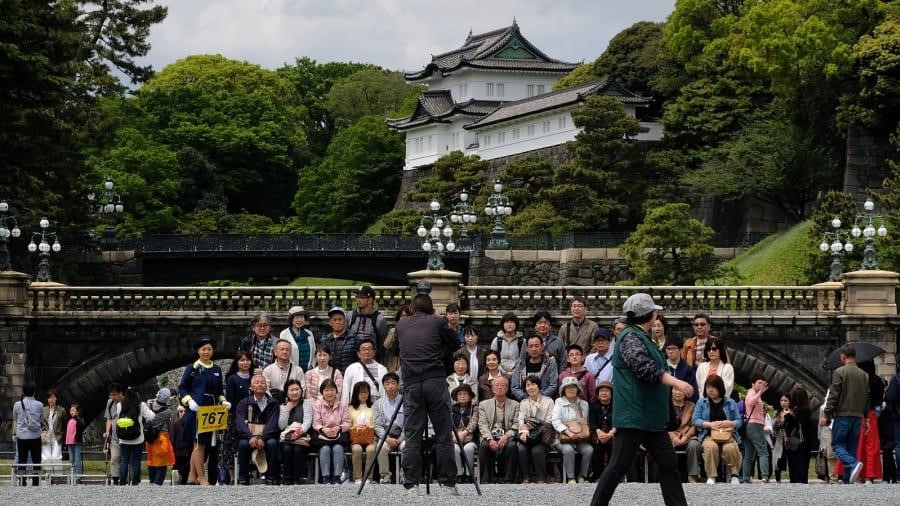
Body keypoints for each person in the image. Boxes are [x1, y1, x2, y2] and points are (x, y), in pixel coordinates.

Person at [591, 293, 694, 506]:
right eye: (654, 311)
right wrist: (677, 383)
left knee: (668, 462)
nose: (657, 315)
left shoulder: (642, 336)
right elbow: (643, 368)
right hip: (634, 415)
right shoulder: (630, 336)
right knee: (618, 466)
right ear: (648, 315)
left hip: (649, 416)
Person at [396, 292, 460, 495]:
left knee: (412, 435)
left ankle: (411, 484)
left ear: (412, 309)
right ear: (432, 308)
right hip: (435, 380)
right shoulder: (438, 321)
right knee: (443, 433)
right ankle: (448, 484)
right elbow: (455, 344)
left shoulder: (400, 325)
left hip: (412, 383)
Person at [178, 335, 229, 486]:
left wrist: (223, 401)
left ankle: (192, 476)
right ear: (198, 351)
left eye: (209, 349)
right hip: (196, 408)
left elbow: (219, 391)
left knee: (204, 444)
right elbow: (182, 388)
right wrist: (189, 401)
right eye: (203, 349)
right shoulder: (192, 368)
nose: (206, 352)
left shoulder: (217, 369)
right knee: (199, 444)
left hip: (212, 410)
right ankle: (201, 476)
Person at [820, 343, 870, 484]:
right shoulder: (864, 375)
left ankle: (853, 464)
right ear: (855, 357)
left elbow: (833, 396)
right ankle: (848, 480)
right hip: (858, 416)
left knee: (837, 445)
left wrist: (826, 414)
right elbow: (867, 398)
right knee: (851, 448)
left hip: (842, 414)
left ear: (843, 356)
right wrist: (866, 418)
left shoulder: (839, 372)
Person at [834, 360, 883, 482]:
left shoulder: (856, 379)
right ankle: (869, 476)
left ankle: (848, 472)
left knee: (852, 444)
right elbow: (879, 400)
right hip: (871, 414)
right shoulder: (877, 381)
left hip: (855, 412)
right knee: (870, 446)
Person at [694, 375, 743, 485]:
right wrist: (709, 424)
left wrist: (730, 423)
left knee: (729, 448)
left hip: (728, 435)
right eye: (708, 387)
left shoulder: (730, 402)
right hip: (708, 435)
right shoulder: (702, 402)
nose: (710, 390)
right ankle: (711, 476)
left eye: (713, 387)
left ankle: (734, 474)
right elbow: (696, 420)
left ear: (720, 388)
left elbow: (739, 421)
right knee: (711, 447)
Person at [236, 374, 280, 485]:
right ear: (251, 387)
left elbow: (272, 423)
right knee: (243, 444)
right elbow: (241, 423)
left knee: (272, 444)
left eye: (262, 382)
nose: (260, 384)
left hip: (267, 436)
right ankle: (243, 477)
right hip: (249, 435)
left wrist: (263, 438)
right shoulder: (243, 403)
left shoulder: (273, 403)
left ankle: (271, 476)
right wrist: (250, 437)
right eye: (257, 382)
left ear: (266, 387)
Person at [477, 375, 520, 484]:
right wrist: (490, 439)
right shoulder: (483, 405)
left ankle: (509, 479)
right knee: (484, 446)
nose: (499, 387)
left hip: (507, 435)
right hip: (490, 435)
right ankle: (486, 479)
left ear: (507, 388)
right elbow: (482, 424)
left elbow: (516, 424)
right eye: (497, 385)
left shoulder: (515, 405)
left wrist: (506, 436)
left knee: (512, 446)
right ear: (492, 388)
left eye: (502, 385)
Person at [220, 350, 253, 484]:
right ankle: (232, 475)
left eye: (247, 360)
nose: (245, 363)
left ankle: (247, 473)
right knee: (231, 447)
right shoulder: (232, 379)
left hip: (252, 417)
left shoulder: (254, 377)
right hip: (234, 417)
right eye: (242, 360)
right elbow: (231, 400)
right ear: (237, 362)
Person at [553, 376, 593, 484]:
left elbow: (586, 421)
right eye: (568, 387)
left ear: (578, 389)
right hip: (562, 438)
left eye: (573, 387)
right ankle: (570, 477)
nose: (571, 389)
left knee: (588, 450)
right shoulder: (559, 402)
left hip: (580, 438)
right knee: (568, 450)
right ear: (563, 390)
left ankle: (582, 476)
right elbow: (555, 421)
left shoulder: (584, 404)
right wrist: (568, 432)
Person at [516, 375, 554, 484]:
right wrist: (523, 430)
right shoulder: (523, 403)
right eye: (528, 385)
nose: (530, 387)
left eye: (533, 384)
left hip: (542, 437)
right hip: (529, 436)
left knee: (536, 450)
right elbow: (521, 420)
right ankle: (525, 477)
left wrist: (532, 423)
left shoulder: (548, 401)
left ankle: (541, 478)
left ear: (539, 386)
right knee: (521, 449)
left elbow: (549, 421)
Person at [312, 378, 350, 485]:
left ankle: (337, 477)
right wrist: (324, 429)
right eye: (326, 390)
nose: (330, 393)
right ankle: (326, 477)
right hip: (323, 436)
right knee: (325, 449)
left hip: (338, 436)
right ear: (322, 392)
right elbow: (316, 423)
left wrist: (339, 427)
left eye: (332, 390)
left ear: (336, 392)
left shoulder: (342, 406)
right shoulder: (317, 405)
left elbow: (348, 423)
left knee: (338, 448)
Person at [117, 387, 156, 485]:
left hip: (123, 437)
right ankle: (135, 482)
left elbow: (119, 417)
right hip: (137, 438)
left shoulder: (119, 405)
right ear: (136, 394)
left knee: (124, 460)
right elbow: (151, 416)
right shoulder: (141, 405)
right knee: (136, 461)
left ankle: (122, 481)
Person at [278, 379, 312, 485]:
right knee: (287, 449)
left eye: (297, 389)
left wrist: (297, 433)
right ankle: (287, 477)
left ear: (301, 391)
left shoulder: (306, 403)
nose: (295, 392)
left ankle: (297, 477)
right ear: (287, 392)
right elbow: (281, 425)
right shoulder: (282, 406)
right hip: (286, 438)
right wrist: (287, 410)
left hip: (301, 437)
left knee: (298, 449)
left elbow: (307, 422)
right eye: (291, 390)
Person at [374, 372, 404, 484]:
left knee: (408, 446)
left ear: (398, 385)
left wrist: (400, 439)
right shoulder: (378, 404)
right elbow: (378, 425)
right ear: (383, 386)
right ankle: (385, 476)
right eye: (387, 384)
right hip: (387, 435)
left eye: (393, 383)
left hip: (402, 435)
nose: (390, 386)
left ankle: (404, 475)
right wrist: (387, 438)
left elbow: (409, 424)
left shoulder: (405, 401)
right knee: (380, 447)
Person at [740, 372, 770, 483]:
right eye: (759, 383)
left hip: (751, 426)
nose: (761, 385)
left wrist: (761, 392)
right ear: (753, 384)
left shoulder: (755, 393)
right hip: (755, 425)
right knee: (763, 451)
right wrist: (761, 392)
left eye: (763, 383)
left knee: (749, 453)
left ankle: (745, 477)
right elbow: (751, 402)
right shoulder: (751, 392)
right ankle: (764, 476)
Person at [13, 381, 44, 486]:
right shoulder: (39, 405)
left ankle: (22, 481)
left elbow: (15, 419)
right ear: (34, 392)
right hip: (35, 436)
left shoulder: (17, 405)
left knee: (22, 459)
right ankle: (36, 482)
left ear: (23, 392)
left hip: (21, 436)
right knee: (36, 459)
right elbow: (42, 419)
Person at [667, 386, 700, 483]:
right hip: (669, 436)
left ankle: (692, 476)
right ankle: (669, 476)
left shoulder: (692, 406)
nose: (678, 392)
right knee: (663, 446)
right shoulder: (665, 404)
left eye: (680, 390)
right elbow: (662, 424)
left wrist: (686, 437)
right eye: (675, 390)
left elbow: (694, 425)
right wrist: (673, 437)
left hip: (687, 436)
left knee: (694, 445)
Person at [510, 335, 558, 401]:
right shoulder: (520, 365)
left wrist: (540, 398)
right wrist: (525, 398)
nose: (534, 349)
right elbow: (515, 387)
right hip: (524, 402)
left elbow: (553, 385)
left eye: (536, 346)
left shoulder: (550, 364)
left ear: (542, 347)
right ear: (527, 348)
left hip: (545, 402)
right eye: (531, 346)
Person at [782, 387, 814, 483]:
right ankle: (800, 482)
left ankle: (797, 482)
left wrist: (788, 416)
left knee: (797, 465)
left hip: (798, 442)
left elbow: (798, 424)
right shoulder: (806, 410)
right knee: (801, 465)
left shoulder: (802, 411)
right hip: (803, 442)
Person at [342, 338, 388, 405]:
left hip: (377, 407)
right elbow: (345, 392)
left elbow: (385, 391)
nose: (367, 352)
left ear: (374, 352)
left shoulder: (382, 369)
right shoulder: (351, 368)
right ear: (358, 353)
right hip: (357, 409)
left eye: (369, 349)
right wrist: (345, 409)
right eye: (363, 349)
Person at [146, 387, 176, 485]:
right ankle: (158, 482)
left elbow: (154, 402)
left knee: (152, 459)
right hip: (161, 437)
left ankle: (151, 481)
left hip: (149, 436)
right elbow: (168, 422)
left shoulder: (148, 404)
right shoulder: (168, 411)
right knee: (162, 461)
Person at [348, 381, 376, 485]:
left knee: (371, 449)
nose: (364, 394)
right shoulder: (350, 408)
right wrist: (355, 428)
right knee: (357, 449)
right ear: (356, 394)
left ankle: (368, 477)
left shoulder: (373, 407)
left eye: (366, 392)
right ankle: (357, 477)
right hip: (356, 437)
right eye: (361, 392)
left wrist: (369, 428)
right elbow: (348, 423)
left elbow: (376, 423)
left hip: (370, 437)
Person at [348, 286, 389, 358]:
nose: (358, 300)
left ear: (370, 300)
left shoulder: (379, 319)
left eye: (362, 297)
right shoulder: (350, 316)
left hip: (370, 359)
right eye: (357, 297)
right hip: (352, 359)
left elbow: (382, 343)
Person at [450, 383, 479, 483]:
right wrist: (453, 435)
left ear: (470, 396)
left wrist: (463, 434)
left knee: (468, 449)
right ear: (456, 397)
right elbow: (448, 423)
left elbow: (474, 422)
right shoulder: (452, 408)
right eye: (460, 394)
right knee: (455, 449)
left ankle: (469, 474)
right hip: (455, 438)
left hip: (470, 438)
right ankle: (459, 474)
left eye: (465, 394)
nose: (462, 396)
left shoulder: (474, 408)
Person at [263, 338, 306, 402]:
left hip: (294, 404)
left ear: (291, 353)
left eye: (287, 350)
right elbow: (265, 389)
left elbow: (302, 389)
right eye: (282, 349)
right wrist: (273, 403)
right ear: (275, 352)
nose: (285, 352)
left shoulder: (298, 370)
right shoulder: (268, 370)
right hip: (273, 405)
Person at [320, 306, 360, 373]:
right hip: (330, 378)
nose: (337, 322)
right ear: (330, 322)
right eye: (334, 320)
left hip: (349, 376)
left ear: (345, 321)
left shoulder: (353, 339)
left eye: (340, 319)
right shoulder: (325, 340)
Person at [589, 382, 615, 480]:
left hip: (613, 434)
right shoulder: (593, 405)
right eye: (601, 391)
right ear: (598, 394)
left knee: (613, 448)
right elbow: (592, 422)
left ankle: (612, 477)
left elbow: (618, 421)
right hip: (598, 434)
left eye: (607, 391)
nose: (604, 393)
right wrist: (599, 432)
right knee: (596, 449)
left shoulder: (616, 405)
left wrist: (610, 434)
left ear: (611, 394)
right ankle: (597, 476)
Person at [280, 306, 316, 372]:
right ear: (291, 319)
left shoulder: (309, 333)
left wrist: (311, 367)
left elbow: (314, 353)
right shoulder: (284, 334)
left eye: (301, 317)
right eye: (296, 318)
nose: (299, 320)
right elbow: (283, 354)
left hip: (308, 372)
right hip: (291, 371)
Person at [663, 337, 699, 403]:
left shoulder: (688, 370)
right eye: (668, 349)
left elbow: (694, 394)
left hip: (684, 407)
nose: (670, 351)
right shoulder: (661, 368)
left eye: (673, 348)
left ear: (681, 350)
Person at [103, 383, 124, 484]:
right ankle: (115, 480)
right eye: (111, 395)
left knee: (125, 459)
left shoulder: (126, 402)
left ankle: (125, 478)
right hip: (115, 437)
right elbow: (109, 418)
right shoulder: (110, 402)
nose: (113, 397)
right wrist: (107, 431)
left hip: (126, 437)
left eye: (115, 394)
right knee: (114, 457)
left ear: (120, 393)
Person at [382, 304, 412, 372]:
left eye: (407, 315)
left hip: (409, 361)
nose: (404, 318)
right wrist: (394, 334)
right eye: (402, 316)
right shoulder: (393, 330)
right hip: (395, 362)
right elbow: (386, 345)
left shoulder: (414, 331)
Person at [41, 388, 65, 474]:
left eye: (53, 397)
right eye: (49, 398)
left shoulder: (61, 410)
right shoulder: (43, 410)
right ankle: (48, 474)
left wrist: (62, 434)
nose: (51, 400)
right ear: (47, 399)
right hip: (46, 435)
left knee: (56, 456)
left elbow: (65, 423)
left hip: (57, 436)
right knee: (46, 457)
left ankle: (58, 475)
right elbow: (40, 422)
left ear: (56, 398)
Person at [170, 405, 190, 485]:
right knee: (176, 468)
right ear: (178, 413)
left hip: (187, 450)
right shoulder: (175, 424)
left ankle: (183, 483)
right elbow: (172, 439)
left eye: (185, 411)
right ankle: (173, 483)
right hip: (178, 451)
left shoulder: (189, 424)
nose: (183, 413)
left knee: (186, 468)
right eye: (181, 411)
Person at [772, 393, 790, 482]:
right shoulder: (777, 412)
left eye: (785, 401)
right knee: (778, 459)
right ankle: (777, 478)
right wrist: (776, 422)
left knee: (790, 459)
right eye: (782, 401)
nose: (783, 403)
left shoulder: (792, 412)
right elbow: (774, 429)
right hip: (780, 439)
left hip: (790, 439)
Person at [886, 364, 900, 479]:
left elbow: (890, 397)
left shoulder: (896, 379)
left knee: (899, 445)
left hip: (897, 416)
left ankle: (899, 473)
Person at [65, 402, 85, 479]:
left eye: (73, 410)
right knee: (71, 459)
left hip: (76, 442)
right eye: (71, 410)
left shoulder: (79, 420)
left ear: (77, 411)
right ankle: (71, 474)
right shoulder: (69, 420)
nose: (71, 412)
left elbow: (82, 424)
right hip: (69, 442)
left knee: (77, 458)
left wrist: (76, 417)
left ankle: (78, 475)